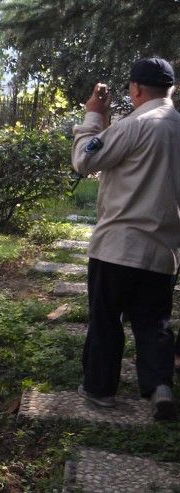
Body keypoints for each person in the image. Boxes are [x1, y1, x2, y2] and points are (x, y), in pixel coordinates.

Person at [71, 57, 180, 420]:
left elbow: (85, 161)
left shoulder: (135, 124)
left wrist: (92, 117)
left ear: (135, 89)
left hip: (118, 245)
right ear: (172, 89)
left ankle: (101, 391)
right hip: (163, 249)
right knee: (153, 322)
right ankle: (160, 385)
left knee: (106, 318)